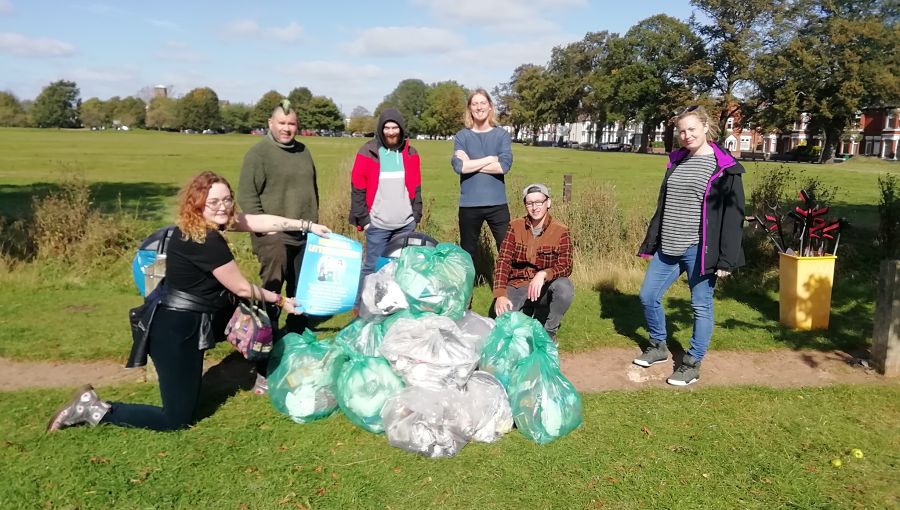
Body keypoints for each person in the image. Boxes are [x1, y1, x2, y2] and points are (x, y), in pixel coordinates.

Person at [47, 172, 332, 432]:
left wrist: (307, 226)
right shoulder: (206, 241)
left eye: (227, 199)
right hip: (174, 333)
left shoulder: (201, 226)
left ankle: (261, 371)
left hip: (195, 321)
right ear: (198, 204)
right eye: (214, 201)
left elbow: (257, 221)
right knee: (177, 418)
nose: (223, 206)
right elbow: (243, 288)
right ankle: (94, 408)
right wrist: (282, 301)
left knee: (245, 332)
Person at [633, 105, 746, 386]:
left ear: (706, 127)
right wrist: (652, 241)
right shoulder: (677, 161)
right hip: (667, 247)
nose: (686, 135)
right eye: (682, 131)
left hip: (699, 249)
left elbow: (733, 217)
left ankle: (692, 362)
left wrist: (726, 259)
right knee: (648, 296)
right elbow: (665, 204)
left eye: (692, 129)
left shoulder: (725, 168)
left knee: (701, 306)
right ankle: (659, 346)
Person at [238, 99, 319, 393]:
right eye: (282, 123)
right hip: (273, 237)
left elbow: (311, 191)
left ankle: (294, 351)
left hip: (304, 234)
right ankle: (262, 363)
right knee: (271, 298)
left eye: (292, 124)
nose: (287, 129)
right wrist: (266, 230)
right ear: (270, 124)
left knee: (301, 296)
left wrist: (313, 225)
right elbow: (247, 197)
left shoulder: (303, 151)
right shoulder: (258, 154)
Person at [349, 108, 422, 297]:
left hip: (405, 224)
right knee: (371, 268)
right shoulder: (368, 152)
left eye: (395, 127)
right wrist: (365, 220)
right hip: (377, 225)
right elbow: (358, 188)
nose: (391, 132)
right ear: (381, 129)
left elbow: (416, 186)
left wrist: (416, 214)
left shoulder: (411, 154)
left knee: (401, 270)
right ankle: (361, 308)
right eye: (387, 128)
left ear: (401, 129)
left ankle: (393, 309)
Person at [493, 183, 574, 342]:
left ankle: (549, 333)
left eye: (539, 202)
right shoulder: (515, 226)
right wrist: (500, 295)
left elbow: (566, 265)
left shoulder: (561, 230)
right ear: (525, 205)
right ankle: (528, 311)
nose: (535, 207)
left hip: (544, 287)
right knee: (505, 329)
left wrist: (544, 274)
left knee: (564, 288)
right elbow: (503, 261)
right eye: (530, 203)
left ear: (548, 203)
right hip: (518, 284)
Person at [451, 88, 513, 262]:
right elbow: (459, 167)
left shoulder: (501, 135)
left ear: (490, 107)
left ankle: (507, 289)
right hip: (469, 205)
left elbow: (503, 166)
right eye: (475, 104)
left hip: (498, 204)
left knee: (506, 250)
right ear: (470, 108)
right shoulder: (462, 136)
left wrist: (471, 163)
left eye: (482, 103)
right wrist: (489, 159)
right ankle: (467, 288)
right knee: (467, 253)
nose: (479, 107)